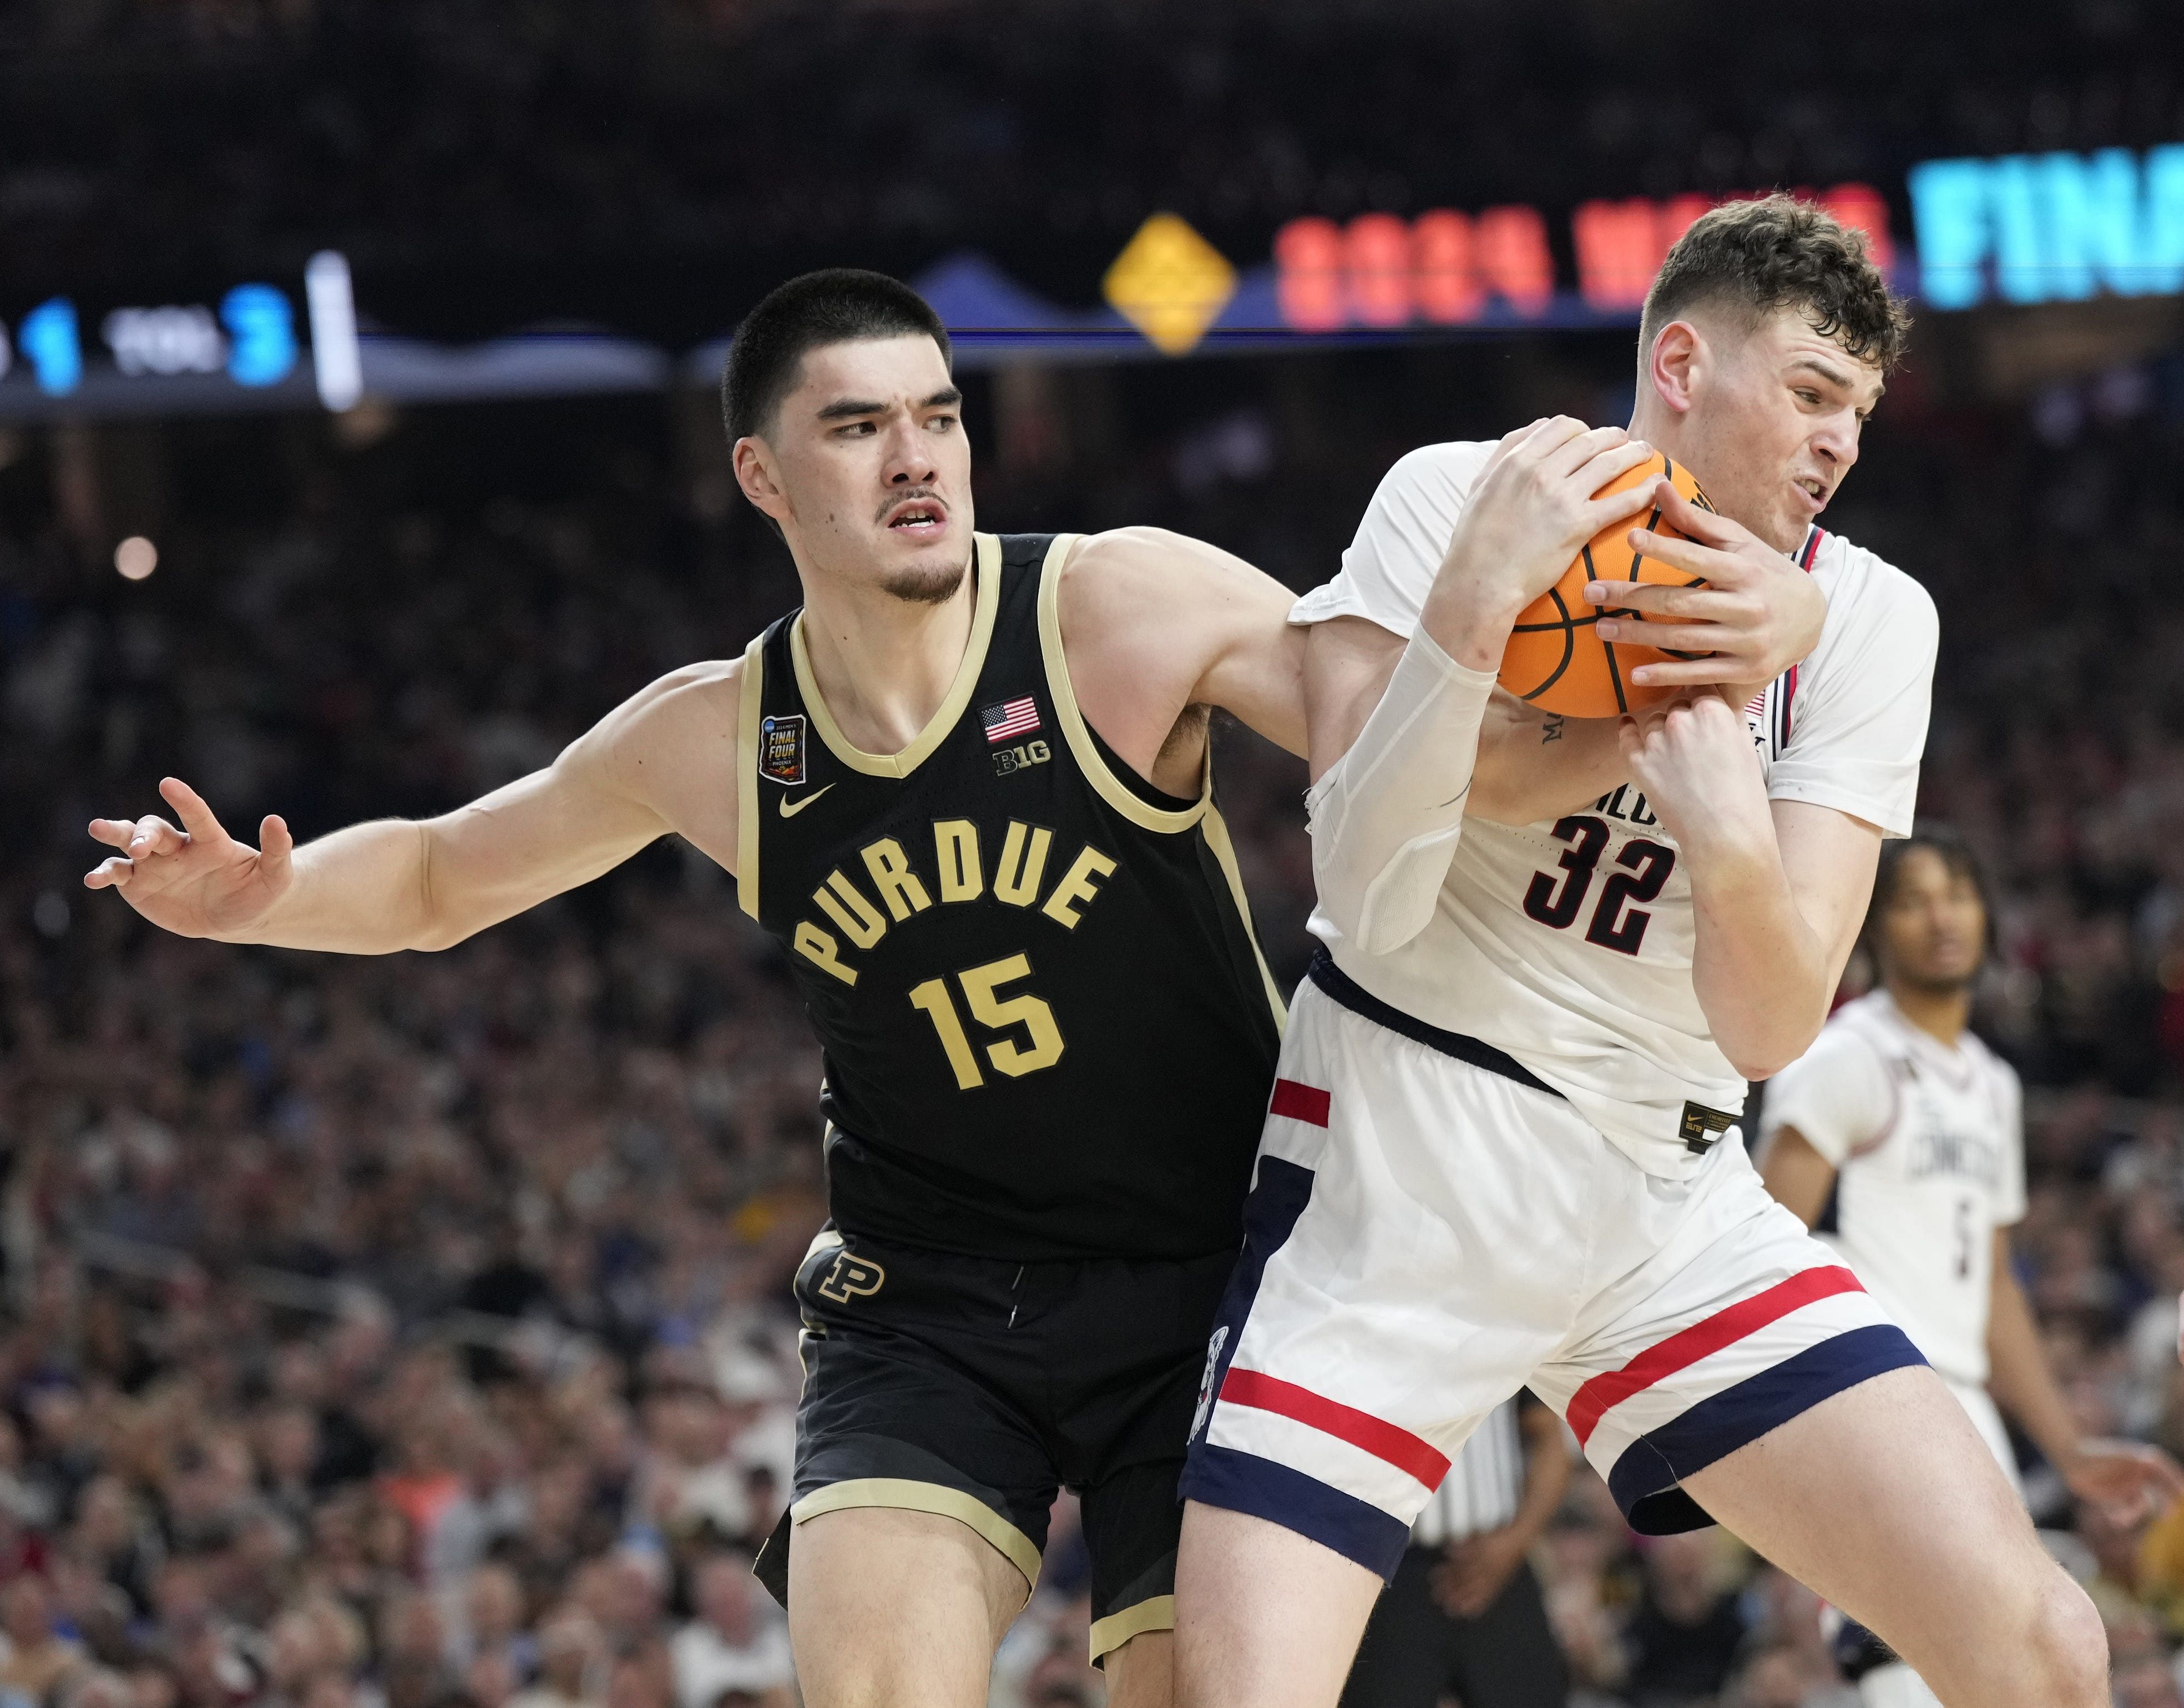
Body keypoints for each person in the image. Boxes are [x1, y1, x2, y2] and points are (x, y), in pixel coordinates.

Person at [83, 269, 1819, 1708]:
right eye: (856, 428)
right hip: (928, 1301)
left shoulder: (1115, 610)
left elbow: (1429, 761)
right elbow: (453, 874)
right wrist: (268, 896)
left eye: (937, 417)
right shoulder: (718, 735)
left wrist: (1670, 684)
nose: (915, 460)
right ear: (766, 479)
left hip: (1207, 1286)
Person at [1172, 195, 2112, 1708]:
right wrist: (1484, 621)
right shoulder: (1450, 497)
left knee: (2047, 1646)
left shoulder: (1868, 619)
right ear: (1680, 361)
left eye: (1858, 413)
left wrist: (1733, 825)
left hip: (1666, 1194)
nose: (1838, 444)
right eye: (1811, 392)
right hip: (1401, 1166)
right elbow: (1361, 872)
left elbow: (1768, 1023)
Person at [1758, 830, 2184, 1707]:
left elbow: (1995, 1291)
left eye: (1959, 892)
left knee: (2029, 1668)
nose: (1942, 914)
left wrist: (2067, 1450)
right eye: (1913, 898)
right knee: (1913, 1667)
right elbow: (1764, 1242)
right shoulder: (1845, 1053)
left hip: (1968, 1410)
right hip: (1870, 1391)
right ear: (1873, 930)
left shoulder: (1993, 1083)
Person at [1337, 1397, 1569, 1708]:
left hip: (1500, 1562)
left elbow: (1551, 1443)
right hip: (1382, 1572)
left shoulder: (1502, 1346)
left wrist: (1515, 1542)